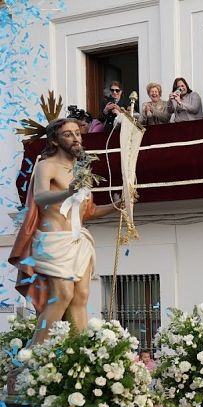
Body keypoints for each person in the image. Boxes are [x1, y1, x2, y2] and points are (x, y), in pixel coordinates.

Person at [9, 119, 121, 344]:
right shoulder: (46, 165)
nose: (76, 138)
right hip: (52, 242)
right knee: (61, 297)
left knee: (80, 298)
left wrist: (117, 206)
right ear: (54, 140)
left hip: (78, 241)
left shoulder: (80, 172)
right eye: (68, 134)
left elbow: (87, 211)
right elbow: (40, 197)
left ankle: (81, 355)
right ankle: (32, 356)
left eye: (78, 134)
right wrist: (67, 192)